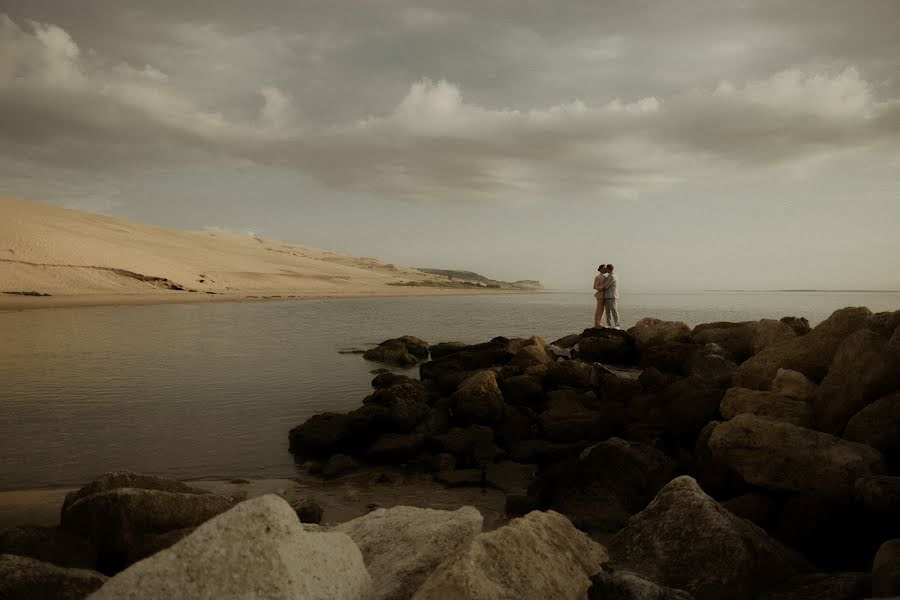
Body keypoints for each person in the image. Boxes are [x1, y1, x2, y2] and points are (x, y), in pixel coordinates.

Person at [602, 264, 620, 328]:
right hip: (608, 296)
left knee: (614, 310)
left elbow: (605, 286)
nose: (605, 269)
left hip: (612, 296)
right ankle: (609, 324)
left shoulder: (612, 276)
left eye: (606, 268)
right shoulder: (609, 276)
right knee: (607, 311)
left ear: (609, 269)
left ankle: (617, 325)